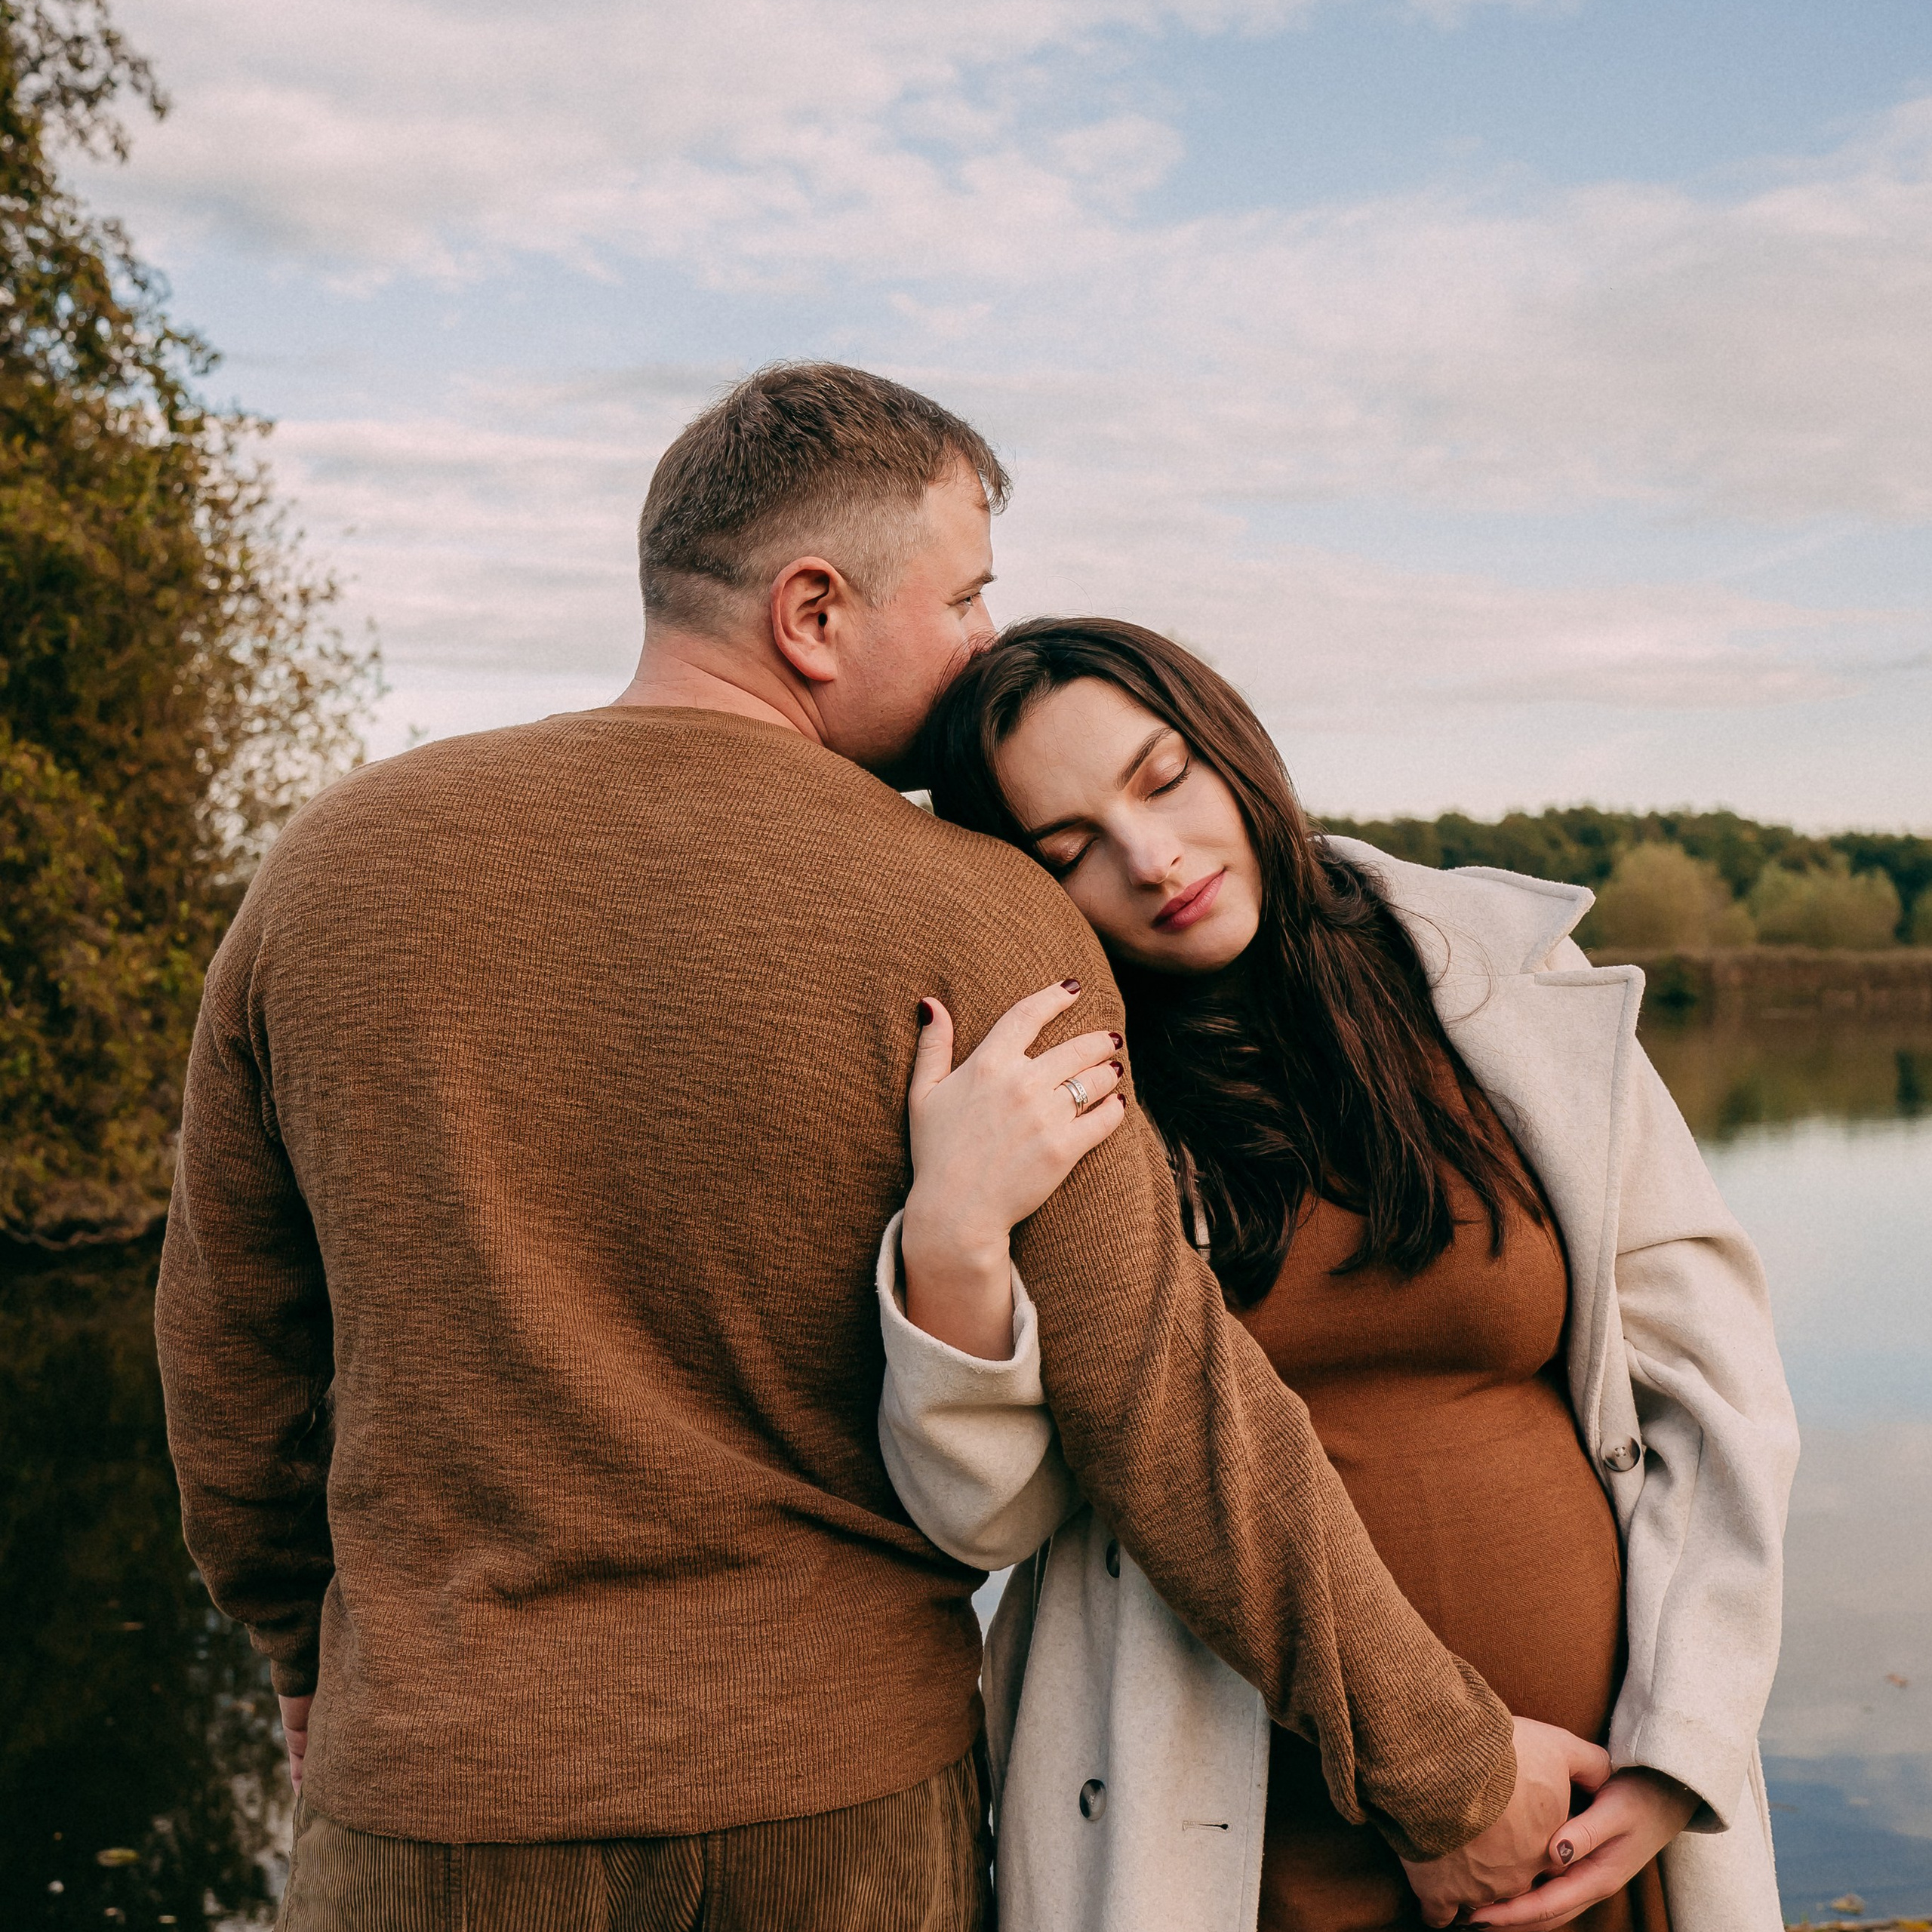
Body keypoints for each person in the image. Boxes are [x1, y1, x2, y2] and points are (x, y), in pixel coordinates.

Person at [155, 368, 1595, 1932]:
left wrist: (304, 1654)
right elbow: (1161, 1398)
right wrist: (1447, 1772)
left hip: (433, 1784)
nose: (986, 639)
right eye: (965, 595)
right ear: (812, 613)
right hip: (840, 1808)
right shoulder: (974, 909)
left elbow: (230, 1365)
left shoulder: (329, 871)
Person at [874, 617, 1800, 1932]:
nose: (1152, 859)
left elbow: (1716, 1386)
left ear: (1232, 744)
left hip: (1596, 1807)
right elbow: (988, 1520)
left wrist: (1680, 1745)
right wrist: (954, 1235)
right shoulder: (1063, 1086)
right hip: (1234, 1836)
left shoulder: (1495, 976)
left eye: (1163, 779)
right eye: (1069, 850)